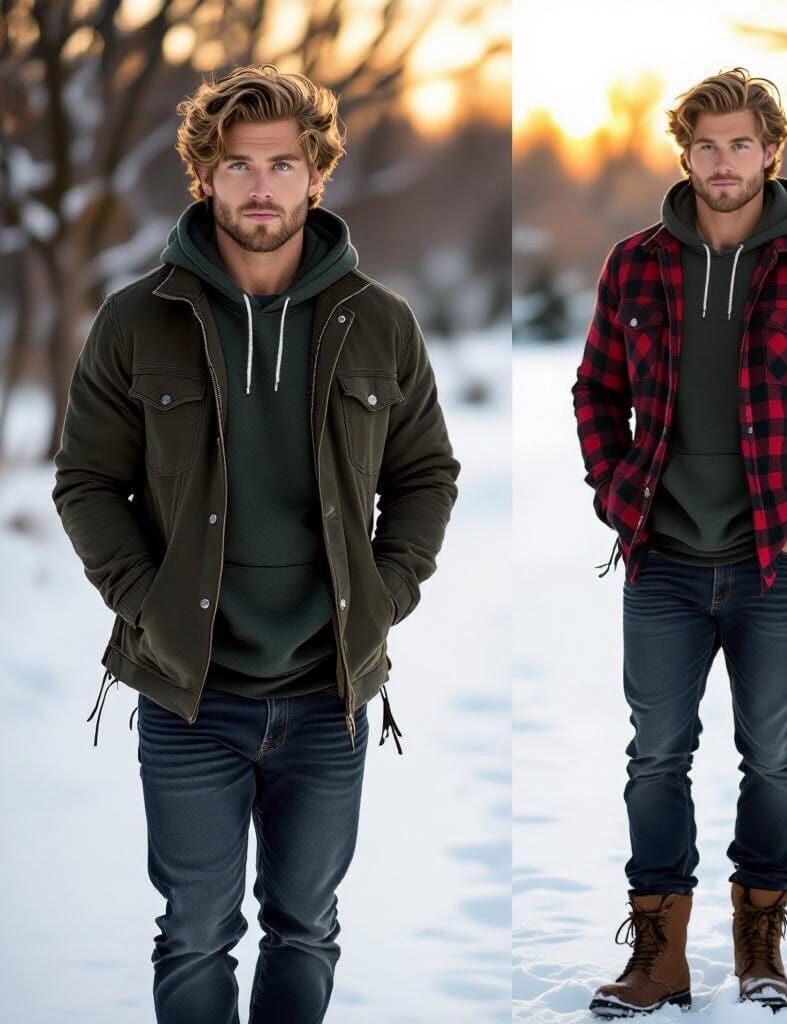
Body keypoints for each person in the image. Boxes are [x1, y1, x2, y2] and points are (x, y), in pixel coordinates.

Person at [52, 64, 459, 1023]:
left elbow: (425, 477)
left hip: (328, 694)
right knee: (195, 930)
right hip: (191, 695)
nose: (262, 186)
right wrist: (148, 603)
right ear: (204, 177)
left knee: (306, 925)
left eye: (283, 163)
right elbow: (85, 483)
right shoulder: (134, 317)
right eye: (238, 165)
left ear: (318, 175)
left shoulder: (381, 322)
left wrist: (384, 593)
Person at [572, 67, 787, 1017]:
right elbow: (596, 392)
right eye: (706, 144)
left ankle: (760, 942)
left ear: (771, 151)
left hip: (770, 568)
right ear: (685, 154)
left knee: (773, 757)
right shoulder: (634, 263)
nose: (723, 162)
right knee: (654, 758)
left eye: (740, 143)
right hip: (663, 565)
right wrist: (616, 492)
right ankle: (660, 955)